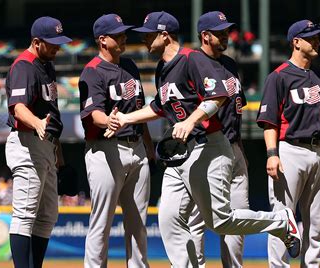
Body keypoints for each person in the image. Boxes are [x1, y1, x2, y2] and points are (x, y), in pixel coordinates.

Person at [109, 11, 301, 267]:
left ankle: (280, 222)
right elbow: (158, 106)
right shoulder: (162, 68)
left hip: (208, 147)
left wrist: (190, 121)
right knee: (168, 219)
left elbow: (217, 96)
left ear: (165, 36)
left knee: (220, 221)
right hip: (180, 154)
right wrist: (125, 118)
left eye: (149, 35)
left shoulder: (192, 59)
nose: (144, 40)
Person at [256, 20, 320, 267]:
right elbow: (269, 121)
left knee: (315, 224)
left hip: (318, 152)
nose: (317, 41)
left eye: (318, 37)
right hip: (289, 151)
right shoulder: (278, 77)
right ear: (296, 42)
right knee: (282, 221)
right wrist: (272, 154)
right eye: (311, 37)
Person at [79, 14, 154, 268]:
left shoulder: (130, 66)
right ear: (102, 40)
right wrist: (107, 121)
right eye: (118, 34)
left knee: (138, 224)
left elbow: (138, 109)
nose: (124, 37)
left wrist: (148, 144)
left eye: (124, 33)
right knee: (102, 223)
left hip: (137, 147)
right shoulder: (92, 71)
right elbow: (92, 112)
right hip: (106, 149)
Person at [4, 16, 71, 268]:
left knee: (47, 215)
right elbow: (18, 108)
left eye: (59, 42)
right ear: (36, 42)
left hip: (46, 143)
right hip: (27, 140)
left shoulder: (46, 65)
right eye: (52, 43)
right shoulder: (24, 65)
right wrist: (37, 123)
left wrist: (59, 156)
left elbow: (51, 113)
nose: (57, 47)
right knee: (24, 214)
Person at [186, 11, 249, 268]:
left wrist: (240, 151)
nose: (226, 35)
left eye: (226, 31)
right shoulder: (192, 62)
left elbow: (237, 108)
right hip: (207, 147)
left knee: (238, 217)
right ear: (205, 35)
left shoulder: (230, 64)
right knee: (198, 219)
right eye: (220, 32)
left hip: (233, 147)